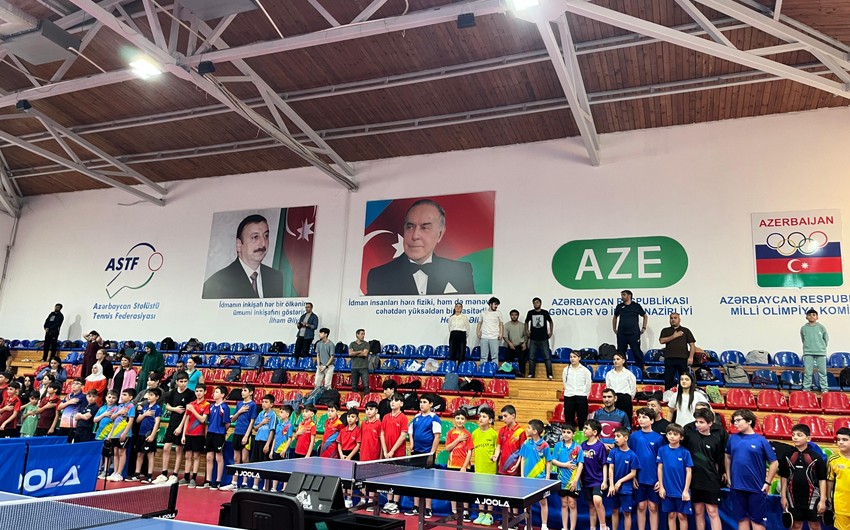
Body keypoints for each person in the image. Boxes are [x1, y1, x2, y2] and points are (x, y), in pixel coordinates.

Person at [366, 199, 475, 295]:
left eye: (424, 228)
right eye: (410, 227)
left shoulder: (461, 271)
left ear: (440, 234)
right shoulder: (379, 276)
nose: (415, 236)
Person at [202, 214, 284, 299]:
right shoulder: (216, 284)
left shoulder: (276, 277)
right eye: (255, 237)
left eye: (266, 236)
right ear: (239, 245)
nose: (263, 243)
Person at [724, 409, 778, 530]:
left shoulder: (761, 440)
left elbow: (774, 462)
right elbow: (727, 456)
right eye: (734, 421)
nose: (735, 423)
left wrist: (767, 482)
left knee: (757, 522)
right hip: (737, 487)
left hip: (756, 488)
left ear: (749, 421)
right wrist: (728, 476)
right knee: (742, 519)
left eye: (738, 420)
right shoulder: (732, 439)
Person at [682, 409, 727, 530]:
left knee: (712, 511)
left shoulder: (716, 439)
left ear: (710, 423)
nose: (698, 425)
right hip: (695, 479)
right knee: (698, 510)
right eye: (696, 422)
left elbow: (719, 460)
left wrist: (722, 473)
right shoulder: (690, 436)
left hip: (711, 480)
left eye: (701, 422)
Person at [780, 424, 827, 530]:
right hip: (793, 497)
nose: (795, 437)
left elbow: (822, 480)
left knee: (814, 526)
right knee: (796, 525)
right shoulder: (787, 456)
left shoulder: (816, 457)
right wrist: (783, 496)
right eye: (793, 435)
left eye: (799, 435)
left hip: (813, 497)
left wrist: (822, 500)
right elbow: (784, 477)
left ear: (808, 438)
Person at [405, 394, 443, 520]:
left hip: (427, 454)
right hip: (416, 453)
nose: (422, 404)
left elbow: (437, 437)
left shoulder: (434, 418)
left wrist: (431, 453)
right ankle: (416, 507)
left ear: (431, 404)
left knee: (428, 482)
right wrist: (412, 443)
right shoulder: (416, 417)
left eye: (425, 402)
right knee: (415, 480)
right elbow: (410, 431)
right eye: (421, 402)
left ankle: (428, 508)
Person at [154, 371, 192, 485]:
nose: (183, 383)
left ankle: (175, 474)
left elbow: (188, 412)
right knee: (166, 448)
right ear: (176, 382)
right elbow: (167, 405)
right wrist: (174, 409)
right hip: (172, 423)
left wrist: (180, 427)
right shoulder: (172, 393)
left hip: (182, 424)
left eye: (185, 381)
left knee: (179, 450)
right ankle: (164, 473)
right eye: (181, 381)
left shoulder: (190, 394)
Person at [630, 407, 664, 530]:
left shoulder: (658, 438)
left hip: (653, 478)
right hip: (639, 477)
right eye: (639, 417)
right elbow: (630, 456)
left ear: (652, 420)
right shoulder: (634, 437)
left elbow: (661, 461)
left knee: (653, 507)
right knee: (641, 506)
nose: (641, 419)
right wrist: (633, 476)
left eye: (644, 417)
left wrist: (660, 480)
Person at [657, 424, 693, 530]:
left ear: (681, 437)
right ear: (666, 435)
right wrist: (661, 487)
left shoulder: (685, 452)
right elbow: (660, 469)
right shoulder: (662, 450)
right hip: (668, 490)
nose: (672, 436)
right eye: (670, 434)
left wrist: (685, 491)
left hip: (681, 490)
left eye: (675, 434)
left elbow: (689, 472)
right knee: (671, 515)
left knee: (682, 516)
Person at [519, 419, 551, 530]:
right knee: (527, 503)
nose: (526, 429)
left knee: (543, 502)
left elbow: (548, 461)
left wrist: (547, 477)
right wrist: (522, 475)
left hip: (540, 478)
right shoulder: (526, 443)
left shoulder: (544, 445)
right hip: (527, 478)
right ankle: (528, 525)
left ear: (535, 431)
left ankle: (544, 525)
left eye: (529, 428)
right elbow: (523, 458)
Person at [469, 407, 499, 525]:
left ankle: (489, 515)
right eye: (480, 416)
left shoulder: (493, 434)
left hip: (490, 468)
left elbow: (497, 448)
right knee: (479, 492)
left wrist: (495, 457)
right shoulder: (475, 433)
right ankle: (481, 514)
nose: (481, 419)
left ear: (490, 420)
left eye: (484, 417)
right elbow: (471, 449)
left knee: (489, 493)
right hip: (478, 468)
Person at [551, 424, 584, 530]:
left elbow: (580, 465)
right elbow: (553, 460)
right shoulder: (558, 446)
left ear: (573, 434)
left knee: (572, 504)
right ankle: (565, 527)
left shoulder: (578, 447)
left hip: (573, 481)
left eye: (568, 432)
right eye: (564, 432)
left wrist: (575, 481)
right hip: (561, 480)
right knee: (564, 504)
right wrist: (565, 465)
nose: (565, 434)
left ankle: (572, 528)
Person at [380, 393, 408, 515]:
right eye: (392, 400)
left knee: (398, 478)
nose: (393, 402)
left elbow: (403, 436)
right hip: (387, 453)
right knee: (388, 478)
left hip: (398, 454)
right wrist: (385, 451)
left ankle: (395, 504)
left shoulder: (403, 418)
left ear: (401, 403)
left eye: (396, 400)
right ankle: (389, 501)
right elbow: (382, 434)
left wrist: (392, 451)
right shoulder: (386, 417)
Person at [607, 428, 640, 530]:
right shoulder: (613, 452)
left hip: (626, 489)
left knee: (626, 513)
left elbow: (633, 473)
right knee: (614, 510)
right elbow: (610, 468)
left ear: (626, 438)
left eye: (618, 436)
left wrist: (620, 481)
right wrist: (611, 485)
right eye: (615, 436)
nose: (615, 439)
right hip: (614, 488)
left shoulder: (632, 455)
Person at [129, 387, 162, 483]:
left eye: (151, 395)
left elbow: (157, 422)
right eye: (148, 395)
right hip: (141, 433)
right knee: (140, 454)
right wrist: (145, 414)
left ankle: (149, 475)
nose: (149, 397)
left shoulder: (157, 408)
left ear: (157, 397)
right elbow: (138, 420)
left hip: (149, 434)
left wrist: (152, 435)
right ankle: (137, 474)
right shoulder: (145, 407)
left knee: (150, 455)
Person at [446, 409, 474, 520]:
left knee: (464, 490)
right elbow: (448, 448)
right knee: (453, 489)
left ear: (465, 420)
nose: (460, 420)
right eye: (458, 418)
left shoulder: (468, 434)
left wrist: (464, 466)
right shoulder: (450, 433)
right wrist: (458, 439)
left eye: (462, 418)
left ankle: (466, 512)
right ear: (454, 420)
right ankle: (454, 511)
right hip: (452, 465)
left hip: (463, 466)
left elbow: (470, 451)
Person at [581, 419, 608, 530]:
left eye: (586, 428)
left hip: (597, 479)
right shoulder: (582, 445)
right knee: (591, 505)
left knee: (597, 500)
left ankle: (603, 526)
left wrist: (604, 481)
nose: (584, 430)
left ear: (595, 432)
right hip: (586, 480)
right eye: (584, 428)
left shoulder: (600, 446)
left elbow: (604, 464)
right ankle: (592, 527)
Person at [658, 313, 696, 391]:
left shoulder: (685, 330)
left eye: (675, 318)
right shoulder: (665, 330)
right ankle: (668, 395)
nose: (673, 320)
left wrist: (691, 357)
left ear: (679, 320)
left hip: (683, 359)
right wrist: (674, 336)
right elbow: (661, 341)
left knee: (684, 379)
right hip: (669, 359)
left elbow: (692, 345)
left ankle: (685, 395)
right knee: (668, 380)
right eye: (671, 318)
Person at [106, 388, 137, 482]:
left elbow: (130, 421)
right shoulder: (120, 406)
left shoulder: (131, 406)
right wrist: (119, 412)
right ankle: (115, 472)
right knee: (115, 452)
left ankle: (119, 473)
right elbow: (112, 418)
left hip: (124, 433)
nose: (122, 396)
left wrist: (125, 433)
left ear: (130, 397)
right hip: (115, 433)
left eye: (125, 395)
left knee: (121, 452)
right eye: (122, 394)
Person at [230, 384, 258, 489]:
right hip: (237, 432)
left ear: (251, 392)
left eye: (245, 390)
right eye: (242, 390)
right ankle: (234, 482)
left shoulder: (253, 405)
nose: (242, 392)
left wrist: (246, 435)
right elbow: (233, 419)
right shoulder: (239, 404)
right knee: (236, 458)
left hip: (245, 434)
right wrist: (239, 411)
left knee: (244, 459)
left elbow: (252, 421)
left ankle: (245, 482)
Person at [182, 384, 209, 488]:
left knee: (196, 456)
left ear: (205, 392)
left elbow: (202, 420)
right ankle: (186, 477)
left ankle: (193, 478)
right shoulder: (191, 404)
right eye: (197, 391)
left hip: (199, 434)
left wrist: (193, 410)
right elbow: (187, 419)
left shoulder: (206, 404)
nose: (198, 393)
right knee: (187, 456)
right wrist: (183, 435)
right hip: (188, 433)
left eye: (201, 391)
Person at [613, 290, 648, 369]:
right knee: (621, 354)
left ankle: (640, 370)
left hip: (634, 334)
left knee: (637, 352)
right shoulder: (619, 306)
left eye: (624, 295)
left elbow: (645, 316)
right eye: (621, 295)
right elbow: (615, 317)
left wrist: (644, 327)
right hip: (622, 334)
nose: (622, 297)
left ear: (629, 296)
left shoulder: (636, 306)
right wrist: (614, 328)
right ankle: (622, 370)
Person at [204, 386, 231, 489]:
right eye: (214, 392)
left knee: (218, 457)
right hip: (210, 433)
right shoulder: (211, 406)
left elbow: (227, 423)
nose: (214, 394)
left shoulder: (225, 407)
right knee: (209, 457)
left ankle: (218, 481)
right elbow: (208, 421)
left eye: (216, 392)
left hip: (219, 434)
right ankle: (208, 480)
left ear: (222, 395)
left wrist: (222, 431)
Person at [250, 394, 278, 489]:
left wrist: (267, 444)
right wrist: (262, 423)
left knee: (265, 465)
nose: (263, 404)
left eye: (266, 402)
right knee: (256, 464)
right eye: (263, 402)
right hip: (257, 440)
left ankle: (266, 487)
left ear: (271, 404)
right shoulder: (261, 414)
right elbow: (255, 428)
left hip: (265, 442)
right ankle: (255, 485)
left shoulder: (273, 415)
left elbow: (272, 430)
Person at [800, 309, 829, 392]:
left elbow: (826, 339)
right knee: (808, 372)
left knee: (822, 372)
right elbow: (803, 339)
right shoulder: (803, 328)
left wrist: (821, 347)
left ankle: (824, 388)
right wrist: (808, 347)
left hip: (820, 352)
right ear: (806, 317)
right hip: (808, 352)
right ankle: (806, 388)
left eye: (813, 315)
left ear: (817, 317)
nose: (811, 316)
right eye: (809, 315)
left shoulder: (821, 327)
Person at [525, 298, 554, 380]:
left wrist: (551, 331)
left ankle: (550, 374)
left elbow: (551, 322)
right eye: (534, 303)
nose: (536, 304)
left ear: (540, 303)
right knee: (531, 357)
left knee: (547, 357)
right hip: (533, 338)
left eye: (537, 302)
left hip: (543, 338)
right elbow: (526, 322)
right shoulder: (530, 313)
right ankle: (531, 374)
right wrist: (527, 331)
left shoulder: (545, 312)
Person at [562, 351, 592, 430]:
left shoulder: (585, 370)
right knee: (569, 420)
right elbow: (565, 383)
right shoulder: (566, 370)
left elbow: (588, 384)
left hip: (581, 397)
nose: (572, 359)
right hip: (569, 397)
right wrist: (569, 391)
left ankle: (582, 435)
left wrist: (584, 395)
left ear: (579, 358)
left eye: (574, 357)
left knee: (582, 420)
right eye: (571, 357)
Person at [827, 427, 850, 530]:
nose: (840, 442)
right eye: (838, 440)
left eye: (845, 440)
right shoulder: (833, 460)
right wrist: (828, 498)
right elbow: (830, 480)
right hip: (841, 504)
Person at [339, 408, 362, 506]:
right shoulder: (343, 430)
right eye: (348, 416)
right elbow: (339, 443)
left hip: (353, 455)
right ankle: (342, 499)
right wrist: (341, 454)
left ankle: (349, 499)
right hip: (343, 455)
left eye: (352, 417)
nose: (350, 418)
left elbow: (358, 445)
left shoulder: (357, 431)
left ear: (356, 419)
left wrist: (349, 456)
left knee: (350, 480)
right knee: (343, 479)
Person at [95, 391, 119, 478]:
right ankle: (98, 469)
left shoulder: (117, 409)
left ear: (116, 399)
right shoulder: (102, 408)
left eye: (113, 398)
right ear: (106, 398)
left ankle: (106, 471)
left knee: (107, 454)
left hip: (109, 434)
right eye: (109, 397)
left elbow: (116, 423)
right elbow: (95, 420)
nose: (111, 399)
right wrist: (104, 415)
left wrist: (110, 435)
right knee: (100, 453)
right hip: (99, 434)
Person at [605, 353, 637, 421]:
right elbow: (608, 387)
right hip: (613, 398)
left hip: (625, 398)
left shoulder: (629, 374)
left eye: (618, 359)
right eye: (614, 359)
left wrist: (628, 398)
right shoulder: (609, 374)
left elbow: (633, 388)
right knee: (613, 419)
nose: (615, 361)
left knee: (626, 420)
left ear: (623, 361)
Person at [497, 404, 526, 476]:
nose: (503, 419)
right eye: (502, 416)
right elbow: (499, 446)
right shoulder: (502, 430)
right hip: (502, 468)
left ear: (513, 416)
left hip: (514, 469)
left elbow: (522, 451)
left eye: (505, 416)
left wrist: (517, 464)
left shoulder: (520, 432)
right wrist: (495, 455)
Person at [477, 297, 503, 365]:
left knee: (495, 356)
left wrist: (501, 333)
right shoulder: (483, 313)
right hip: (484, 337)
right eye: (495, 304)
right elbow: (479, 323)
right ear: (490, 304)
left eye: (497, 305)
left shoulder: (498, 313)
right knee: (483, 356)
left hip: (494, 337)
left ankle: (495, 369)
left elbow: (501, 324)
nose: (496, 306)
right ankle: (483, 369)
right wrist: (478, 332)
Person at [504, 309, 528, 377]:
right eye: (512, 315)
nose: (514, 316)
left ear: (518, 316)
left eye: (515, 315)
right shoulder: (506, 325)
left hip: (521, 346)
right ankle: (508, 373)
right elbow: (505, 336)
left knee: (522, 358)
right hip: (511, 345)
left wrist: (525, 343)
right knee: (507, 357)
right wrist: (509, 343)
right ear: (510, 316)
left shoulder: (522, 325)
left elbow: (526, 335)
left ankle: (522, 373)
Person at [349, 329, 370, 394]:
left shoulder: (366, 344)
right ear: (357, 335)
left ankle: (366, 399)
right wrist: (360, 351)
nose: (363, 335)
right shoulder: (352, 344)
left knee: (366, 386)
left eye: (364, 334)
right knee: (354, 386)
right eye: (362, 334)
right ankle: (354, 399)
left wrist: (355, 353)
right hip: (354, 367)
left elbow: (365, 354)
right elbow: (350, 354)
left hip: (364, 367)